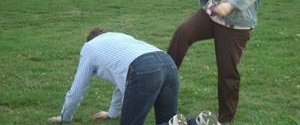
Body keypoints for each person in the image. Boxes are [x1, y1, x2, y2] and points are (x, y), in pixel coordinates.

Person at [167, 0, 273, 124]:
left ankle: (225, 117)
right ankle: (163, 80)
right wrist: (217, 4)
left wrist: (230, 5)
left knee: (227, 72)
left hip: (235, 24)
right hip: (210, 13)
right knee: (182, 32)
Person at [48, 26, 219, 125]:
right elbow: (124, 85)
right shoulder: (121, 38)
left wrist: (65, 117)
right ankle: (198, 122)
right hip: (168, 63)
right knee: (167, 122)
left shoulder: (89, 48)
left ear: (90, 39)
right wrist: (112, 113)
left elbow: (77, 90)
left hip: (143, 69)